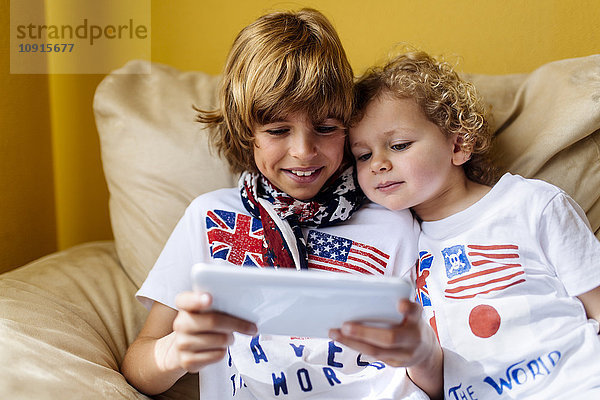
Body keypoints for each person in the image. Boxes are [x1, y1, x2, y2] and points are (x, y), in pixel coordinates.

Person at [121, 10, 442, 400]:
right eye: (277, 130)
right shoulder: (209, 218)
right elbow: (139, 364)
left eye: (325, 128)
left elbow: (440, 380)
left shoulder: (394, 218)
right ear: (246, 132)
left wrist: (422, 354)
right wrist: (173, 352)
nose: (304, 152)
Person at [349, 50, 600, 399]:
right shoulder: (399, 250)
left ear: (459, 144)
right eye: (363, 155)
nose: (378, 163)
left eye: (399, 145)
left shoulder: (532, 205)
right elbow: (433, 385)